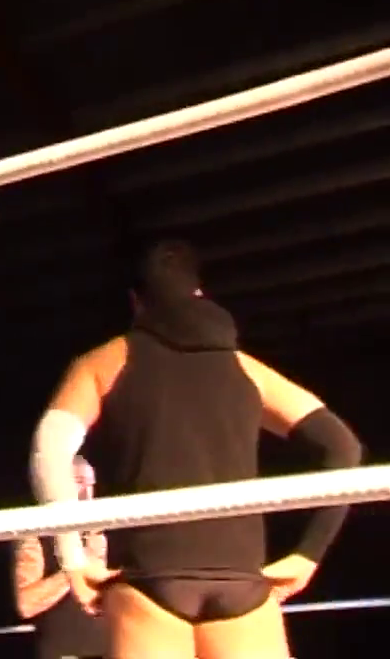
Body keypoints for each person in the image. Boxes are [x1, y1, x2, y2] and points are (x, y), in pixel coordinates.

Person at [28, 239, 363, 659]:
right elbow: (343, 447)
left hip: (149, 576)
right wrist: (308, 553)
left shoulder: (107, 361)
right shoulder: (245, 368)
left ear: (136, 302)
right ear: (200, 294)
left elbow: (49, 451)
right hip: (240, 579)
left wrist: (72, 558)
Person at [13, 455, 109, 659]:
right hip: (64, 652)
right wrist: (75, 567)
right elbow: (26, 604)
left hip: (110, 649)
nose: (87, 492)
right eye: (79, 482)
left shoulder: (104, 530)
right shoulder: (36, 535)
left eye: (91, 484)